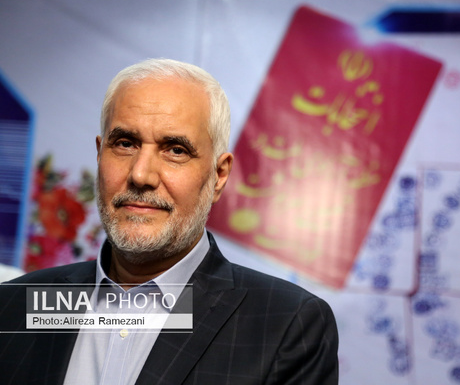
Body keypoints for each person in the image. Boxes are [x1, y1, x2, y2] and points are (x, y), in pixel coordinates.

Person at [0, 58, 339, 384]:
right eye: (125, 144)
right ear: (100, 154)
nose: (141, 175)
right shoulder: (14, 304)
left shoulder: (285, 325)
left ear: (219, 176)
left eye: (175, 150)